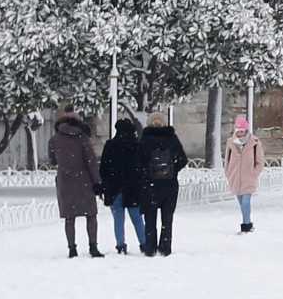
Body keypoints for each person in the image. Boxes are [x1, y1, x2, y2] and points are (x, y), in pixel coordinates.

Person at [47, 107, 102, 258]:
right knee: (91, 215)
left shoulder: (54, 139)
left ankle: (72, 248)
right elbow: (91, 161)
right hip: (84, 181)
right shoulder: (83, 138)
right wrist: (97, 182)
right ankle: (93, 247)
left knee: (69, 217)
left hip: (65, 181)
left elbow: (52, 161)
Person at [139, 116, 189, 257]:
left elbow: (138, 162)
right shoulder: (172, 138)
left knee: (150, 218)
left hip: (150, 186)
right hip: (169, 185)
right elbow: (183, 159)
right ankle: (165, 247)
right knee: (167, 219)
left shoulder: (145, 139)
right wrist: (172, 171)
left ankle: (150, 248)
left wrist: (147, 173)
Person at [99, 116, 147, 255]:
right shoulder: (137, 145)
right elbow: (142, 168)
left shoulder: (110, 145)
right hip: (133, 188)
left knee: (118, 219)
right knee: (137, 219)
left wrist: (104, 185)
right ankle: (144, 243)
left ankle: (120, 245)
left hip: (114, 187)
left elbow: (103, 168)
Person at [223, 116, 263, 233]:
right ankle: (248, 222)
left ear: (246, 130)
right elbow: (227, 159)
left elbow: (260, 161)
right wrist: (228, 172)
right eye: (238, 130)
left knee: (246, 202)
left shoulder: (254, 142)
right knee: (242, 203)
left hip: (248, 178)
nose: (240, 132)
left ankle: (246, 226)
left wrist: (254, 173)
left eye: (242, 130)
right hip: (235, 177)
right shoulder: (231, 142)